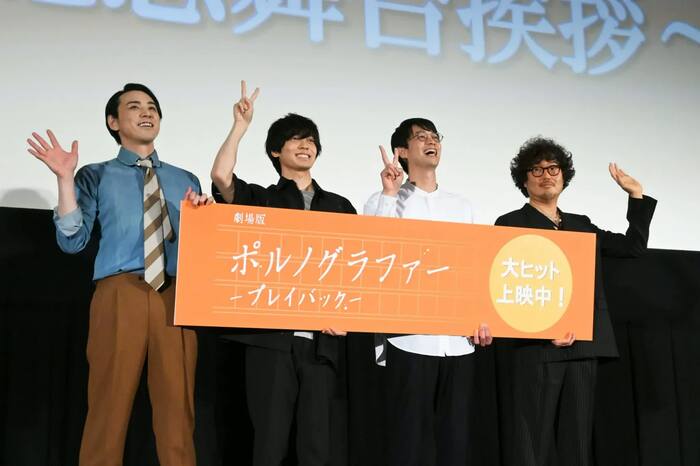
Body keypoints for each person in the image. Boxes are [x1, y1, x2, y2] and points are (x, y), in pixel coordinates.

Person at [26, 83, 212, 466]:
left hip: (175, 296)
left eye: (152, 107)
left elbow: (203, 251)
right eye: (134, 107)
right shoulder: (96, 175)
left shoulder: (186, 179)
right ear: (114, 122)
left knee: (178, 413)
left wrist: (205, 219)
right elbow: (73, 240)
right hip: (119, 292)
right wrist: (64, 178)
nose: (147, 112)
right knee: (108, 407)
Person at [210, 81, 356, 466]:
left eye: (311, 140)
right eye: (295, 139)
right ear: (276, 151)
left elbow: (356, 268)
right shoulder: (263, 198)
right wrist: (240, 127)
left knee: (317, 447)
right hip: (270, 342)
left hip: (323, 343)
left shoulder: (340, 206)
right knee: (269, 445)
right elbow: (222, 177)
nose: (306, 145)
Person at [495, 136, 657, 466]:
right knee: (532, 444)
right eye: (537, 169)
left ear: (564, 176)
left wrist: (636, 195)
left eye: (553, 168)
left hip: (583, 345)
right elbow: (503, 288)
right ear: (524, 180)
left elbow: (632, 248)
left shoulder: (581, 224)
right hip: (536, 347)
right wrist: (543, 332)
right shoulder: (510, 223)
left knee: (578, 444)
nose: (546, 175)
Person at [363, 118, 492, 466]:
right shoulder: (382, 200)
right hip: (409, 340)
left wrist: (481, 317)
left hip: (459, 343)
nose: (431, 141)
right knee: (408, 444)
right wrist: (390, 193)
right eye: (421, 137)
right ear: (402, 152)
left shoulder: (461, 205)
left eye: (435, 136)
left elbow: (473, 268)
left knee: (456, 443)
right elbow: (374, 256)